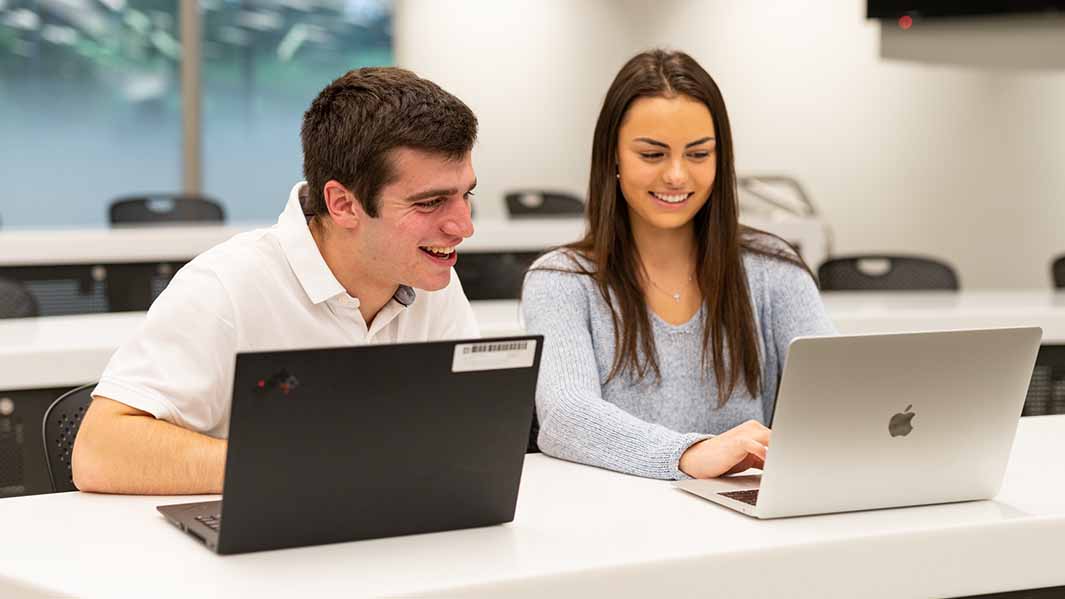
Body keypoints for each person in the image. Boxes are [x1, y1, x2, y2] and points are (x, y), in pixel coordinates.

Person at [73, 67, 481, 494]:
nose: (463, 226)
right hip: (255, 551)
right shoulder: (224, 287)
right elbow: (99, 451)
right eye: (431, 202)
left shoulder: (431, 278)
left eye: (466, 194)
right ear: (343, 204)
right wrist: (298, 464)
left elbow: (465, 432)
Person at [521, 49, 835, 481]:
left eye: (698, 154)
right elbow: (563, 417)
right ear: (612, 156)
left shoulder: (775, 270)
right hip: (616, 524)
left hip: (748, 524)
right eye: (652, 155)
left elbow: (836, 396)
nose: (676, 176)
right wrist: (688, 453)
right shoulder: (561, 280)